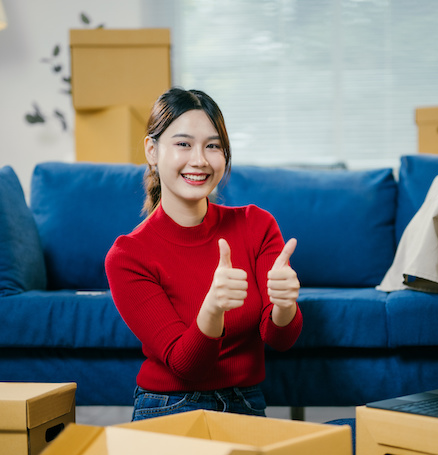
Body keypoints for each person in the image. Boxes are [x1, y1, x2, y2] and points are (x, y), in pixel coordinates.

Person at [105, 87, 303, 421]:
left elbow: (280, 339)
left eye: (212, 146)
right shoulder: (128, 255)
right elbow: (186, 366)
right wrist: (213, 308)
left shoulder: (257, 225)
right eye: (183, 144)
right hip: (169, 405)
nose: (199, 160)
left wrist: (285, 305)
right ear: (152, 151)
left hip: (247, 403)